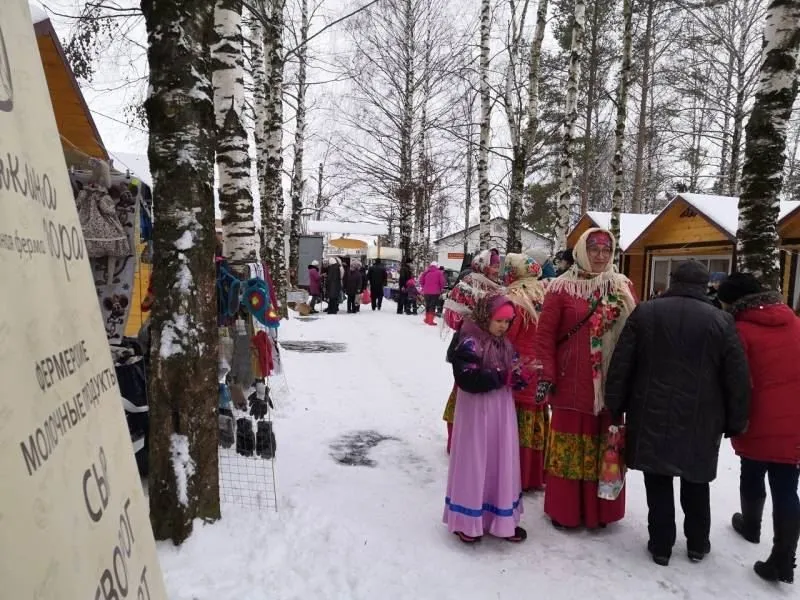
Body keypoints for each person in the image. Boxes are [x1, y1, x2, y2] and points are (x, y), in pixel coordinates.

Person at [605, 261, 750, 567]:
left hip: (651, 410)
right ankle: (698, 543)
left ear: (673, 281)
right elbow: (737, 376)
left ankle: (661, 545)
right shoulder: (721, 321)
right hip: (702, 417)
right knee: (696, 480)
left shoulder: (645, 312)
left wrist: (615, 404)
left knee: (657, 480)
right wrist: (737, 419)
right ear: (704, 285)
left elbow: (622, 364)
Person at [533, 228, 636, 531]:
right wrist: (546, 375)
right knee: (570, 449)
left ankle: (600, 511)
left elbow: (636, 334)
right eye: (594, 250)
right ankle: (566, 511)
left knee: (604, 446)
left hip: (609, 386)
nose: (601, 256)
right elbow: (544, 337)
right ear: (581, 251)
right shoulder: (561, 289)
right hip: (569, 384)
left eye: (606, 250)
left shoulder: (622, 287)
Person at [717, 273, 800, 584]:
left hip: (758, 416)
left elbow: (736, 380)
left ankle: (751, 526)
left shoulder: (738, 330)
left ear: (733, 301)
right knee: (787, 484)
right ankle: (784, 557)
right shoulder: (794, 322)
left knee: (752, 471)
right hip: (795, 418)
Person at [444, 294, 529, 544]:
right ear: (486, 316)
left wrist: (523, 375)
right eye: (499, 320)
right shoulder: (469, 342)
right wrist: (502, 376)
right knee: (475, 459)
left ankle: (501, 518)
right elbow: (467, 379)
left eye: (508, 321)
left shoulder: (504, 345)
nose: (504, 326)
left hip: (501, 413)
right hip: (476, 412)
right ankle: (467, 520)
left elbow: (513, 371)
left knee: (500, 459)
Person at [442, 250, 503, 453]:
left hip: (493, 347)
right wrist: (475, 324)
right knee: (465, 390)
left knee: (484, 394)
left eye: (498, 265)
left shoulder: (498, 286)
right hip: (470, 347)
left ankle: (480, 441)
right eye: (493, 265)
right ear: (482, 265)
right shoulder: (468, 284)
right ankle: (460, 440)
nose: (497, 269)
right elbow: (452, 315)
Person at [503, 253, 548, 491]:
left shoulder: (514, 298)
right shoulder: (544, 293)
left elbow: (507, 337)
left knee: (517, 421)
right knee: (537, 418)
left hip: (519, 369)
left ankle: (517, 474)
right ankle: (536, 474)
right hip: (541, 368)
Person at [420, 261, 447, 326]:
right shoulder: (439, 273)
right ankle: (430, 321)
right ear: (436, 266)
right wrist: (441, 288)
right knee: (432, 306)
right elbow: (442, 282)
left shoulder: (426, 272)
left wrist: (424, 287)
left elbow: (421, 280)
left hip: (426, 292)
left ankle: (427, 319)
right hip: (435, 292)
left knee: (428, 305)